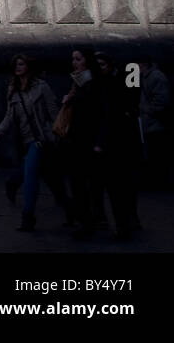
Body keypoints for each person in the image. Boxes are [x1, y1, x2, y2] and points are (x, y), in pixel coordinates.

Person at [0, 54, 66, 231]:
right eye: (16, 65)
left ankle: (28, 216)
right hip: (24, 139)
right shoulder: (13, 89)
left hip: (40, 138)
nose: (18, 68)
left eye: (21, 64)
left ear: (29, 67)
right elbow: (10, 114)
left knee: (32, 174)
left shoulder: (42, 87)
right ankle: (69, 208)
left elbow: (54, 113)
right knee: (43, 172)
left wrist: (57, 136)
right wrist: (0, 130)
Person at [92, 51, 142, 240]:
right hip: (108, 142)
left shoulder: (126, 75)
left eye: (103, 65)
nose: (100, 69)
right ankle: (120, 221)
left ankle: (126, 221)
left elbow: (130, 106)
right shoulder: (99, 83)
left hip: (122, 143)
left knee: (123, 185)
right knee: (113, 186)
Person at [58, 47, 100, 239]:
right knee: (79, 182)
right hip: (75, 139)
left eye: (78, 59)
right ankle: (85, 219)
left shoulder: (90, 83)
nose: (74, 62)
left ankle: (89, 221)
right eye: (73, 59)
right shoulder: (78, 81)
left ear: (87, 61)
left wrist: (72, 100)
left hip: (86, 140)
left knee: (84, 183)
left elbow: (94, 111)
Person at [139, 58, 173, 189]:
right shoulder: (146, 76)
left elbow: (161, 103)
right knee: (153, 154)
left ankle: (158, 183)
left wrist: (143, 109)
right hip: (150, 123)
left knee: (156, 154)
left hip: (155, 124)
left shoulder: (156, 77)